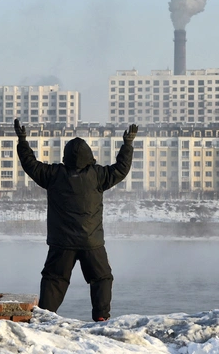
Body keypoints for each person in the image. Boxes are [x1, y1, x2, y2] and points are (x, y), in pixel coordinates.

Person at [14, 118, 137, 322]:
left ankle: (44, 318)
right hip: (92, 242)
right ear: (89, 156)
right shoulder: (98, 176)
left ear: (66, 156)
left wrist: (22, 141)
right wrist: (128, 144)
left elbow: (31, 165)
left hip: (61, 242)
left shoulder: (54, 175)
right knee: (102, 278)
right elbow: (121, 169)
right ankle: (101, 317)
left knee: (54, 279)